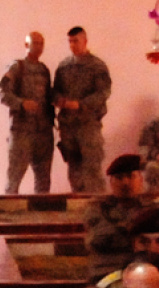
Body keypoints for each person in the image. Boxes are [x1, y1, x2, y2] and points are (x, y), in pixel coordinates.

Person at [53, 27, 111, 193]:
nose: (72, 45)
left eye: (76, 41)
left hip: (88, 125)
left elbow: (103, 93)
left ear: (85, 41)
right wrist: (59, 100)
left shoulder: (97, 66)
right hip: (68, 126)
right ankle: (78, 205)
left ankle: (98, 205)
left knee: (92, 169)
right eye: (70, 41)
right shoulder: (64, 66)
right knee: (74, 169)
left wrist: (81, 104)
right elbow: (55, 90)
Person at [0, 31, 54, 194]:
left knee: (43, 180)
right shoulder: (17, 67)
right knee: (14, 178)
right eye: (34, 43)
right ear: (26, 45)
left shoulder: (44, 70)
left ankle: (42, 216)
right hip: (22, 132)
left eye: (41, 43)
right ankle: (9, 216)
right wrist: (22, 104)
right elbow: (3, 94)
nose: (38, 46)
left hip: (43, 133)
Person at [84, 154, 148, 281]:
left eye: (131, 176)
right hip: (106, 274)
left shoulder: (153, 208)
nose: (125, 183)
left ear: (140, 180)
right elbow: (97, 240)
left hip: (145, 275)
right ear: (111, 183)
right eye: (119, 178)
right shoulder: (97, 209)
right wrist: (138, 238)